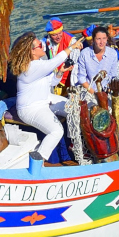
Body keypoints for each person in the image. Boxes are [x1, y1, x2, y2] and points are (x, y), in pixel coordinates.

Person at [9, 31, 75, 163]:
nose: (42, 46)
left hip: (46, 99)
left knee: (73, 108)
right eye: (39, 45)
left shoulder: (38, 63)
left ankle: (73, 144)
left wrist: (60, 73)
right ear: (32, 52)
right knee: (56, 131)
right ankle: (37, 162)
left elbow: (51, 82)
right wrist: (71, 47)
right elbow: (54, 62)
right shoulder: (30, 67)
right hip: (30, 109)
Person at [74, 25, 119, 90]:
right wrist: (94, 93)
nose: (102, 42)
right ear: (93, 39)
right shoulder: (84, 54)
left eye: (104, 38)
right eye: (98, 39)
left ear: (107, 38)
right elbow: (81, 78)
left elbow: (113, 75)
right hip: (88, 91)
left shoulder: (113, 53)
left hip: (106, 90)